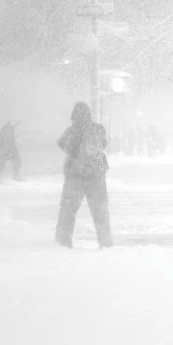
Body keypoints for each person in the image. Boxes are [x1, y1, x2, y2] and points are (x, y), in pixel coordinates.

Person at [55, 102, 113, 248]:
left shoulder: (71, 131)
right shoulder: (98, 129)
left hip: (75, 175)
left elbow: (63, 145)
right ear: (89, 114)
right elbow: (103, 144)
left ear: (73, 114)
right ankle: (105, 244)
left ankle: (63, 243)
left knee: (67, 212)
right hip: (96, 175)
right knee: (101, 214)